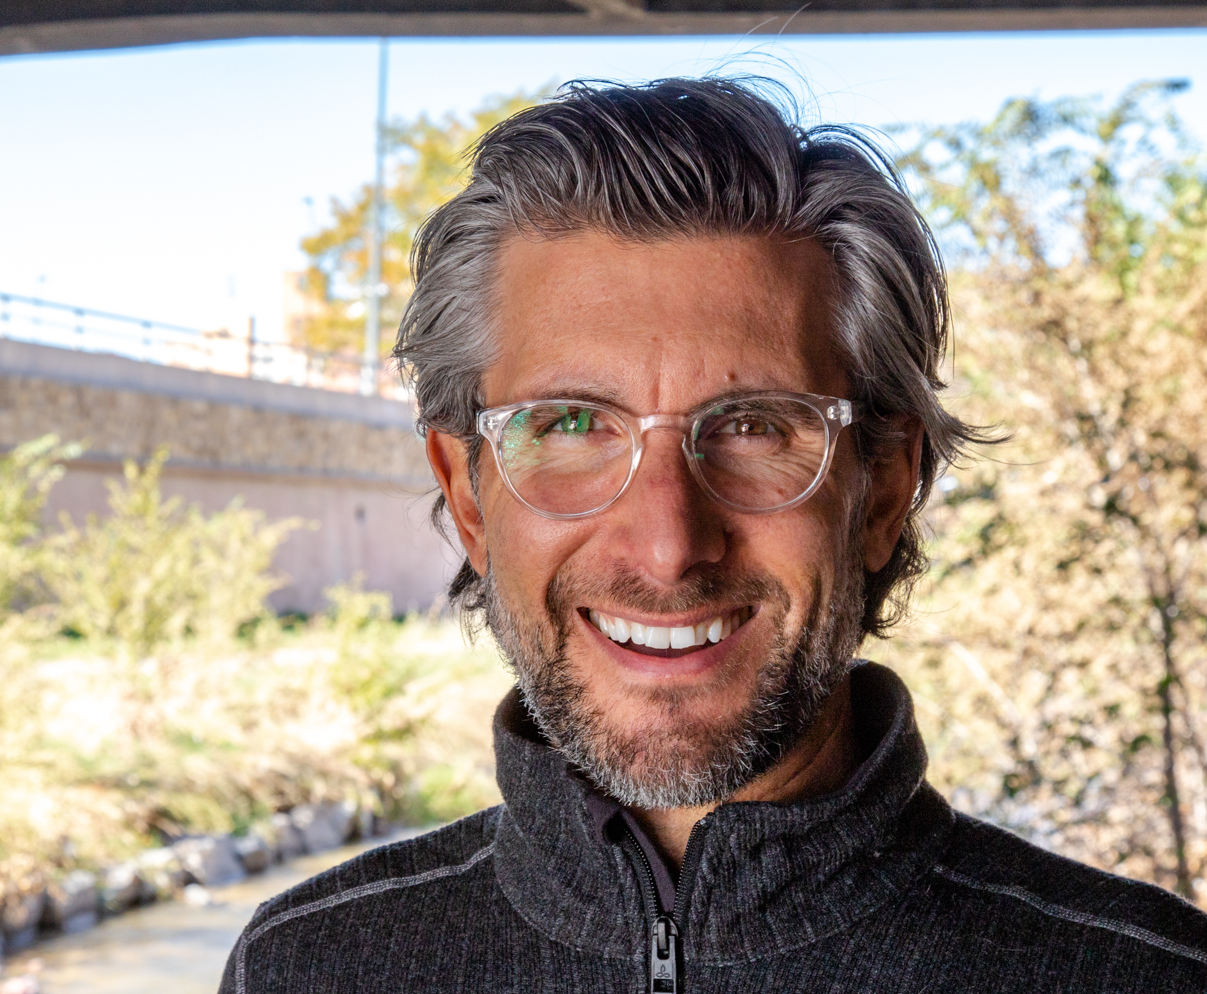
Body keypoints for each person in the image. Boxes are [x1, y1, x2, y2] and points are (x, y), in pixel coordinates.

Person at [220, 77, 1207, 993]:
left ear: (882, 489)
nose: (667, 545)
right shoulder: (305, 968)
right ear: (469, 497)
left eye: (755, 427)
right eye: (571, 424)